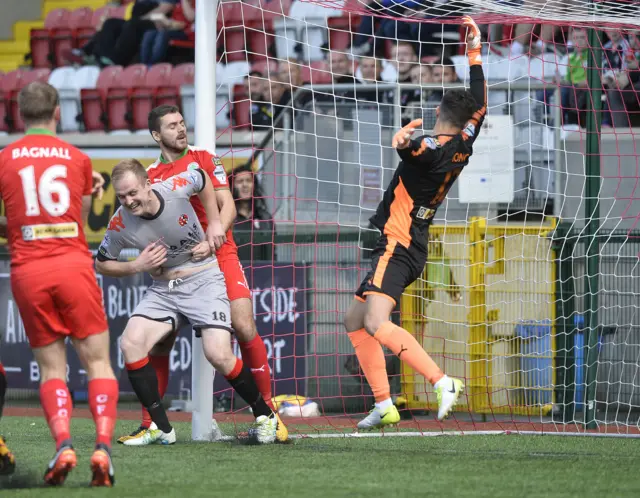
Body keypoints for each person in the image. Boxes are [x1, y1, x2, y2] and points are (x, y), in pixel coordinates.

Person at [343, 16, 486, 430]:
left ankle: (442, 382)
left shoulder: (431, 146)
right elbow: (479, 102)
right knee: (353, 322)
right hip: (413, 240)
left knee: (374, 322)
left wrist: (403, 143)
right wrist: (474, 53)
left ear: (439, 111)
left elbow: (417, 151)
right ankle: (384, 403)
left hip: (398, 241)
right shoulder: (465, 140)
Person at [116, 105, 288, 444]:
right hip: (178, 267)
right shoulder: (148, 176)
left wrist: (213, 236)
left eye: (182, 123)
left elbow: (225, 205)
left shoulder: (206, 160)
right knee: (159, 342)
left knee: (242, 325)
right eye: (172, 126)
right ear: (156, 135)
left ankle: (269, 414)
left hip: (219, 252)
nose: (181, 129)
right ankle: (151, 423)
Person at [0, 82, 116, 486]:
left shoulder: (5, 158)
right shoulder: (78, 159)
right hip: (72, 264)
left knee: (52, 370)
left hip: (29, 270)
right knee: (98, 361)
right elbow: (81, 223)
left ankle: (64, 443)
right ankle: (102, 447)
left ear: (18, 115)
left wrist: (16, 228)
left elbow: (11, 222)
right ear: (57, 113)